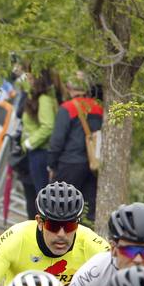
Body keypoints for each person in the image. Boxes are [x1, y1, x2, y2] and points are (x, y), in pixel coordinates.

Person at [48, 70, 103, 220]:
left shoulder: (67, 108)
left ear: (69, 88)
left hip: (69, 164)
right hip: (92, 165)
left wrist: (52, 165)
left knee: (58, 208)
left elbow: (57, 141)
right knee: (87, 212)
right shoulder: (99, 108)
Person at [18, 67, 59, 206]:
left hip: (40, 153)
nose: (27, 81)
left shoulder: (44, 99)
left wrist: (30, 142)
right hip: (35, 152)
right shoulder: (36, 97)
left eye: (30, 79)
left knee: (42, 198)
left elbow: (48, 126)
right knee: (35, 196)